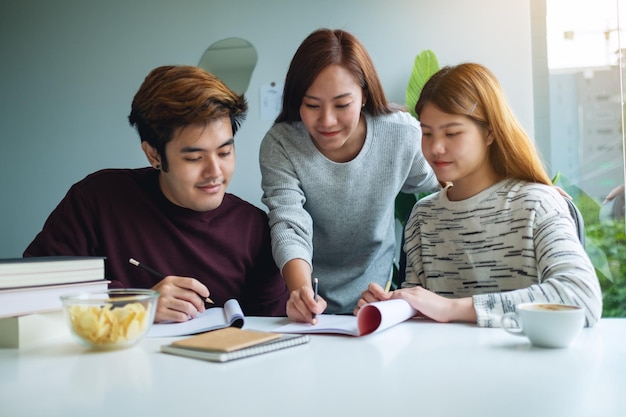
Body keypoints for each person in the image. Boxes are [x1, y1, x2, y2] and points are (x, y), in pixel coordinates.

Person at [24, 65, 288, 322]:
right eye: (195, 158)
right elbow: (33, 285)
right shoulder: (97, 199)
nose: (215, 172)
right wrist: (136, 304)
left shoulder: (253, 228)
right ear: (153, 155)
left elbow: (271, 326)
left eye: (224, 152)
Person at [355, 63, 603, 327]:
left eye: (452, 133)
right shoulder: (422, 218)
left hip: (522, 365)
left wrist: (453, 308)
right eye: (426, 133)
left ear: (490, 132)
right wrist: (394, 306)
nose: (436, 147)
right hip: (442, 365)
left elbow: (580, 297)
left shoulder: (537, 204)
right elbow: (418, 316)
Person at [259, 28, 440, 323]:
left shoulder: (401, 135)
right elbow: (289, 224)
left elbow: (448, 187)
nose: (327, 120)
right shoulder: (282, 144)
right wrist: (302, 294)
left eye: (342, 104)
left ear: (365, 95)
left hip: (375, 299)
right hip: (304, 300)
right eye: (312, 105)